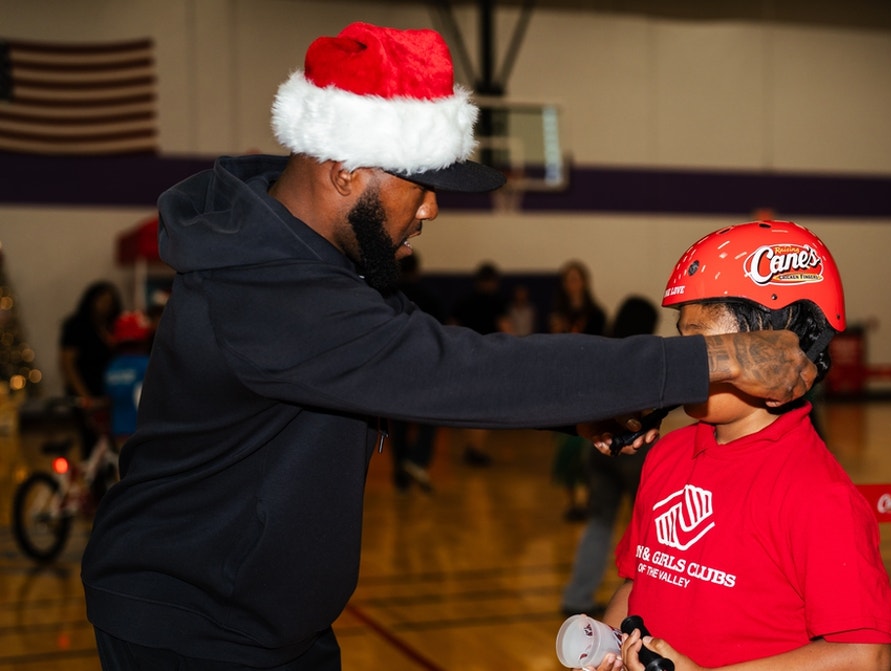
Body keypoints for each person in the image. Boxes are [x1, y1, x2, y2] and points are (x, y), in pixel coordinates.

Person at [80, 22, 816, 671]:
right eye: (421, 186)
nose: (431, 208)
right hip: (195, 628)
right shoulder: (266, 293)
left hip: (265, 619)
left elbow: (425, 362)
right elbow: (461, 372)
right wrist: (713, 358)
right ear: (345, 173)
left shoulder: (314, 267)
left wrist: (578, 415)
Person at [590, 221, 891, 671]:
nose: (682, 361)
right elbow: (640, 583)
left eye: (701, 345)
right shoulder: (669, 454)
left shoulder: (817, 494)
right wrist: (608, 646)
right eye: (681, 339)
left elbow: (865, 656)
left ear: (778, 353)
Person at [561, 295, 659, 615]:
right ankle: (648, 603)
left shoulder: (602, 352)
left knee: (599, 523)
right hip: (636, 452)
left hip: (599, 450)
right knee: (648, 532)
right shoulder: (647, 357)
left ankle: (577, 597)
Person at [550, 260, 609, 518]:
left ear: (584, 282)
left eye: (576, 278)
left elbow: (602, 349)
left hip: (589, 385)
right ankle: (571, 501)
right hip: (563, 386)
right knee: (565, 446)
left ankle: (587, 499)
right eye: (568, 279)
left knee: (585, 445)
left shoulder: (596, 314)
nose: (572, 284)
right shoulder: (557, 314)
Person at [389, 252, 444, 491]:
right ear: (418, 270)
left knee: (398, 423)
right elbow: (441, 331)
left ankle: (400, 475)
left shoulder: (387, 296)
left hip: (395, 366)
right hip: (424, 363)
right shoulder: (430, 296)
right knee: (429, 417)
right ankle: (417, 459)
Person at [449, 261, 512, 466]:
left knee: (469, 405)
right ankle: (476, 449)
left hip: (465, 357)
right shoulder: (497, 302)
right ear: (494, 281)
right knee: (484, 407)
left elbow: (451, 328)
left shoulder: (463, 301)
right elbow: (506, 329)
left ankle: (471, 447)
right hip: (488, 358)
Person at [59, 280, 122, 458]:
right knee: (91, 443)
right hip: (86, 392)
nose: (105, 306)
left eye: (110, 302)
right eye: (102, 301)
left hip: (109, 394)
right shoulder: (76, 326)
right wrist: (84, 396)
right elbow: (67, 364)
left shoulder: (113, 326)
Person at [102, 310, 153, 448]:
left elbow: (109, 399)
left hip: (119, 432)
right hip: (145, 433)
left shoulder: (112, 366)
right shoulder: (148, 365)